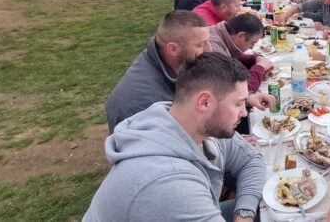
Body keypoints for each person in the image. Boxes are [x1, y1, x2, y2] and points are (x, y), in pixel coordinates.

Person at [85, 53, 266, 221]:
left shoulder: (194, 124)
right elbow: (175, 194)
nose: (244, 112)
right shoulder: (170, 184)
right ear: (205, 102)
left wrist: (244, 214)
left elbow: (251, 160)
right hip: (175, 201)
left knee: (269, 208)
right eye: (238, 103)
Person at [105, 11, 274, 133]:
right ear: (173, 49)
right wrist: (224, 148)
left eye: (208, 41)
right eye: (200, 45)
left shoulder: (170, 61)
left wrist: (247, 98)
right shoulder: (146, 102)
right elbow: (178, 144)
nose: (209, 49)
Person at [209, 13, 273, 94]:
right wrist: (260, 67)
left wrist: (254, 58)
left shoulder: (222, 33)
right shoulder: (214, 49)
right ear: (241, 35)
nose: (252, 48)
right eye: (252, 43)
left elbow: (231, 57)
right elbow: (240, 91)